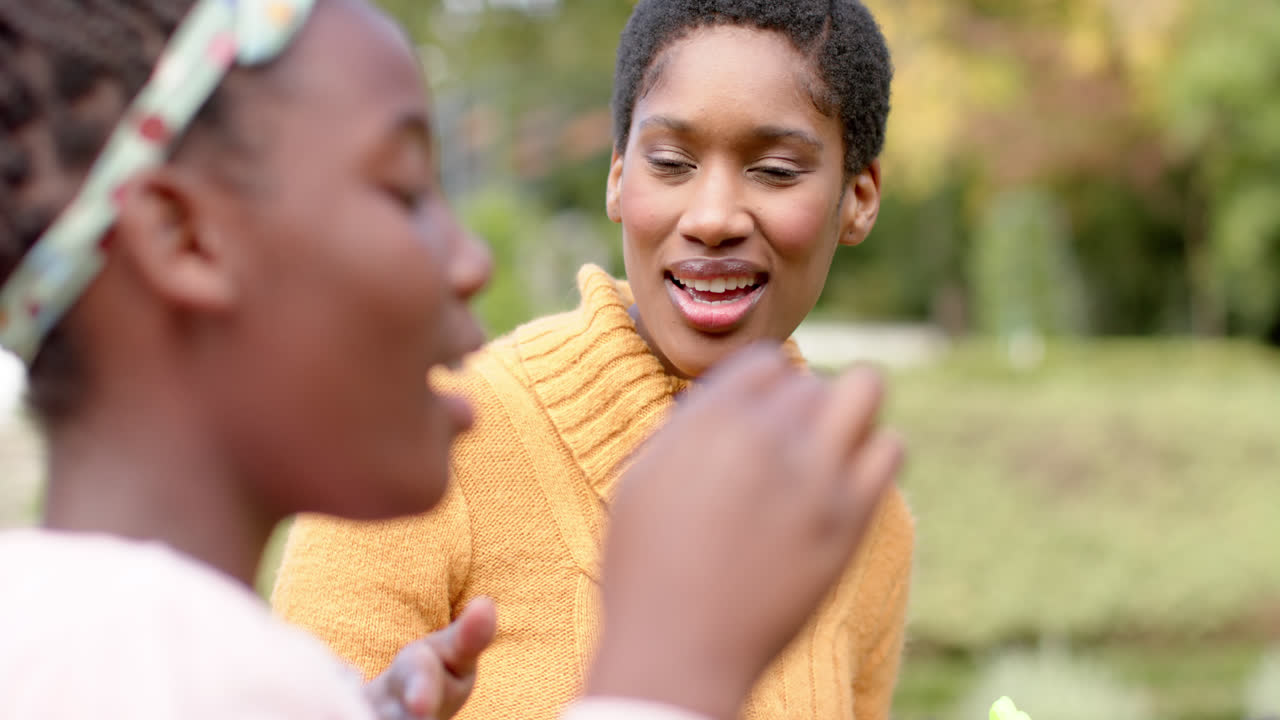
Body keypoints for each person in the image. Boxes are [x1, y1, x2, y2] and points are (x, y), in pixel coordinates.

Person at [0, 0, 903, 718]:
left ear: (856, 198)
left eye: (776, 170)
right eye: (402, 192)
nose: (472, 258)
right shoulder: (166, 677)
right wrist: (659, 685)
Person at [273, 1, 914, 719]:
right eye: (670, 163)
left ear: (857, 199)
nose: (711, 217)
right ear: (617, 177)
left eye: (773, 171)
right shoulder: (427, 438)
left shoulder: (859, 512)